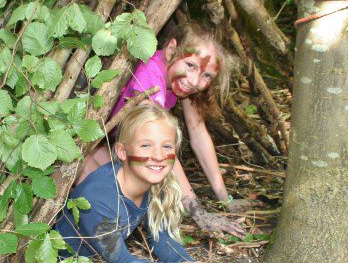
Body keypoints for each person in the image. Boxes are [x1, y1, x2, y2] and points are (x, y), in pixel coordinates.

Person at [77, 21, 245, 237]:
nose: (194, 81)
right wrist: (198, 213)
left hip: (116, 145)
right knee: (119, 196)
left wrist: (224, 198)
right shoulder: (149, 77)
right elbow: (162, 151)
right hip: (90, 146)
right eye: (191, 65)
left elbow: (198, 132)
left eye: (207, 76)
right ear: (171, 50)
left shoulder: (179, 80)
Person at [55, 104, 224, 263]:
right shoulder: (98, 197)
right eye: (146, 145)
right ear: (122, 152)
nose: (159, 156)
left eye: (166, 146)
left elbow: (162, 237)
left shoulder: (153, 180)